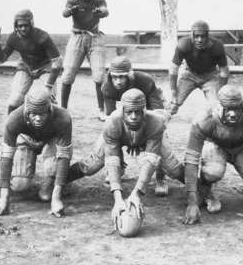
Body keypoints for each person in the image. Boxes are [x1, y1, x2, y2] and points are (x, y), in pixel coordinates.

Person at [67, 88, 184, 220]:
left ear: (144, 110)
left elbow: (151, 160)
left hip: (148, 136)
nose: (133, 116)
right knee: (91, 166)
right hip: (119, 135)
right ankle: (59, 181)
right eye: (129, 112)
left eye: (137, 112)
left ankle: (200, 188)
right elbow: (111, 159)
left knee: (173, 168)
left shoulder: (156, 122)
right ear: (122, 111)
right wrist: (118, 199)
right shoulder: (112, 122)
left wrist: (136, 193)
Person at [181, 86, 243, 226]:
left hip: (242, 148)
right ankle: (206, 190)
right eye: (227, 108)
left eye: (237, 108)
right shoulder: (203, 119)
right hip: (216, 146)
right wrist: (192, 203)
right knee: (213, 172)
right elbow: (191, 160)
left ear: (242, 106)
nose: (232, 114)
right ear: (218, 107)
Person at [0, 85, 73, 217]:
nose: (38, 118)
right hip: (26, 140)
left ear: (50, 110)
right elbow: (7, 156)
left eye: (42, 114)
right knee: (19, 186)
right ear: (26, 111)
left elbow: (64, 156)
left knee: (46, 195)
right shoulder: (13, 119)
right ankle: (3, 171)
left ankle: (52, 182)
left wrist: (56, 198)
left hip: (51, 141)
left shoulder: (63, 118)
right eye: (33, 114)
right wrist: (3, 197)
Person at [101, 55, 168, 194]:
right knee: (110, 134)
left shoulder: (145, 81)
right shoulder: (107, 87)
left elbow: (159, 114)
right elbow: (112, 119)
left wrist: (140, 134)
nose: (118, 81)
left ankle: (161, 177)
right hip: (129, 115)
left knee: (163, 137)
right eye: (114, 77)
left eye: (122, 77)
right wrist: (129, 136)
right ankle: (119, 167)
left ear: (130, 76)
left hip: (149, 113)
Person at [0, 9, 63, 113]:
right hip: (26, 66)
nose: (23, 28)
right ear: (16, 26)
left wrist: (48, 86)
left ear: (31, 24)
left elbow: (58, 62)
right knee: (15, 100)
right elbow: (1, 59)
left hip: (45, 67)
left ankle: (50, 126)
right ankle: (10, 125)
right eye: (20, 26)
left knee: (47, 100)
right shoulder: (14, 37)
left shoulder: (42, 36)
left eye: (26, 25)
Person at [60, 0, 109, 120]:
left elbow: (106, 11)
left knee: (100, 75)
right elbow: (64, 13)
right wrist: (71, 10)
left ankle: (101, 110)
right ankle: (63, 109)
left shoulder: (99, 1)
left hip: (94, 37)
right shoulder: (73, 2)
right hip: (77, 37)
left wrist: (100, 11)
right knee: (68, 74)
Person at [169, 20, 229, 115]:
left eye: (203, 36)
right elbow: (173, 69)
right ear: (192, 35)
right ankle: (162, 123)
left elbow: (224, 72)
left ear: (207, 35)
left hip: (211, 77)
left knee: (217, 106)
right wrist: (173, 92)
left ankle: (218, 126)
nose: (200, 40)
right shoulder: (184, 44)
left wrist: (221, 92)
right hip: (189, 75)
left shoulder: (217, 46)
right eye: (196, 36)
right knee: (173, 104)